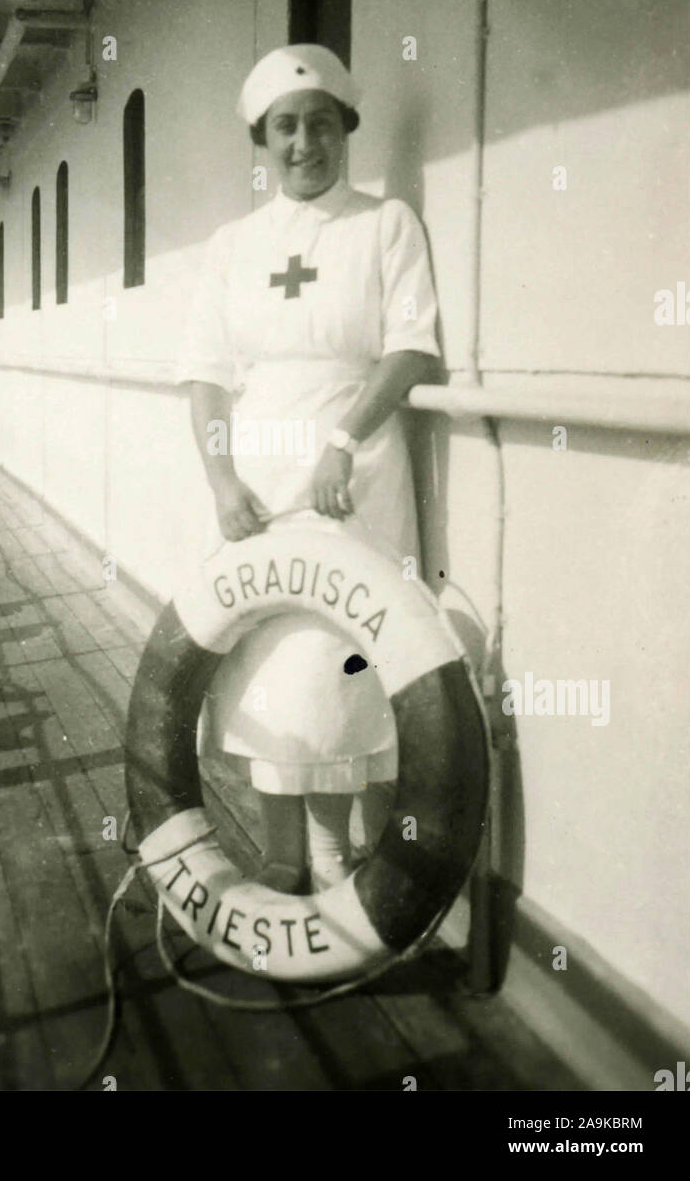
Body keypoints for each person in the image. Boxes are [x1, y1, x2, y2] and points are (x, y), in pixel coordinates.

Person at [176, 44, 440, 895]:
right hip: (256, 473)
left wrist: (344, 438)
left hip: (352, 473)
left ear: (346, 130)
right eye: (285, 127)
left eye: (321, 124)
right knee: (266, 661)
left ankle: (341, 855)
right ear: (262, 138)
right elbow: (208, 377)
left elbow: (410, 353)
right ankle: (287, 855)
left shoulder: (385, 224)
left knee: (341, 665)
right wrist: (222, 482)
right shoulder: (233, 245)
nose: (303, 143)